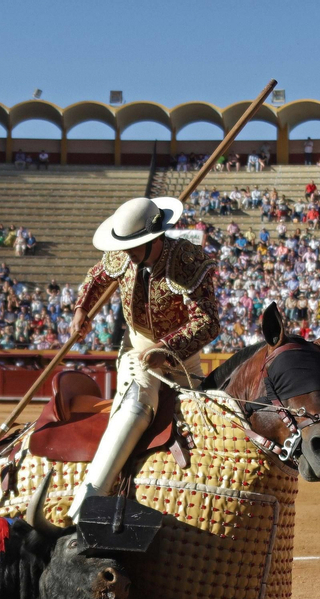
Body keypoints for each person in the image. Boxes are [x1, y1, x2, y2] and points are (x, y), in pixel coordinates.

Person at [68, 197, 219, 522]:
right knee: (135, 408)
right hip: (137, 350)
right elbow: (97, 276)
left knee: (210, 419)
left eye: (135, 247)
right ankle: (87, 504)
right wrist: (83, 307)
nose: (127, 255)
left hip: (183, 358)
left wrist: (166, 348)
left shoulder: (188, 261)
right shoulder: (123, 254)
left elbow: (208, 321)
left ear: (154, 238)